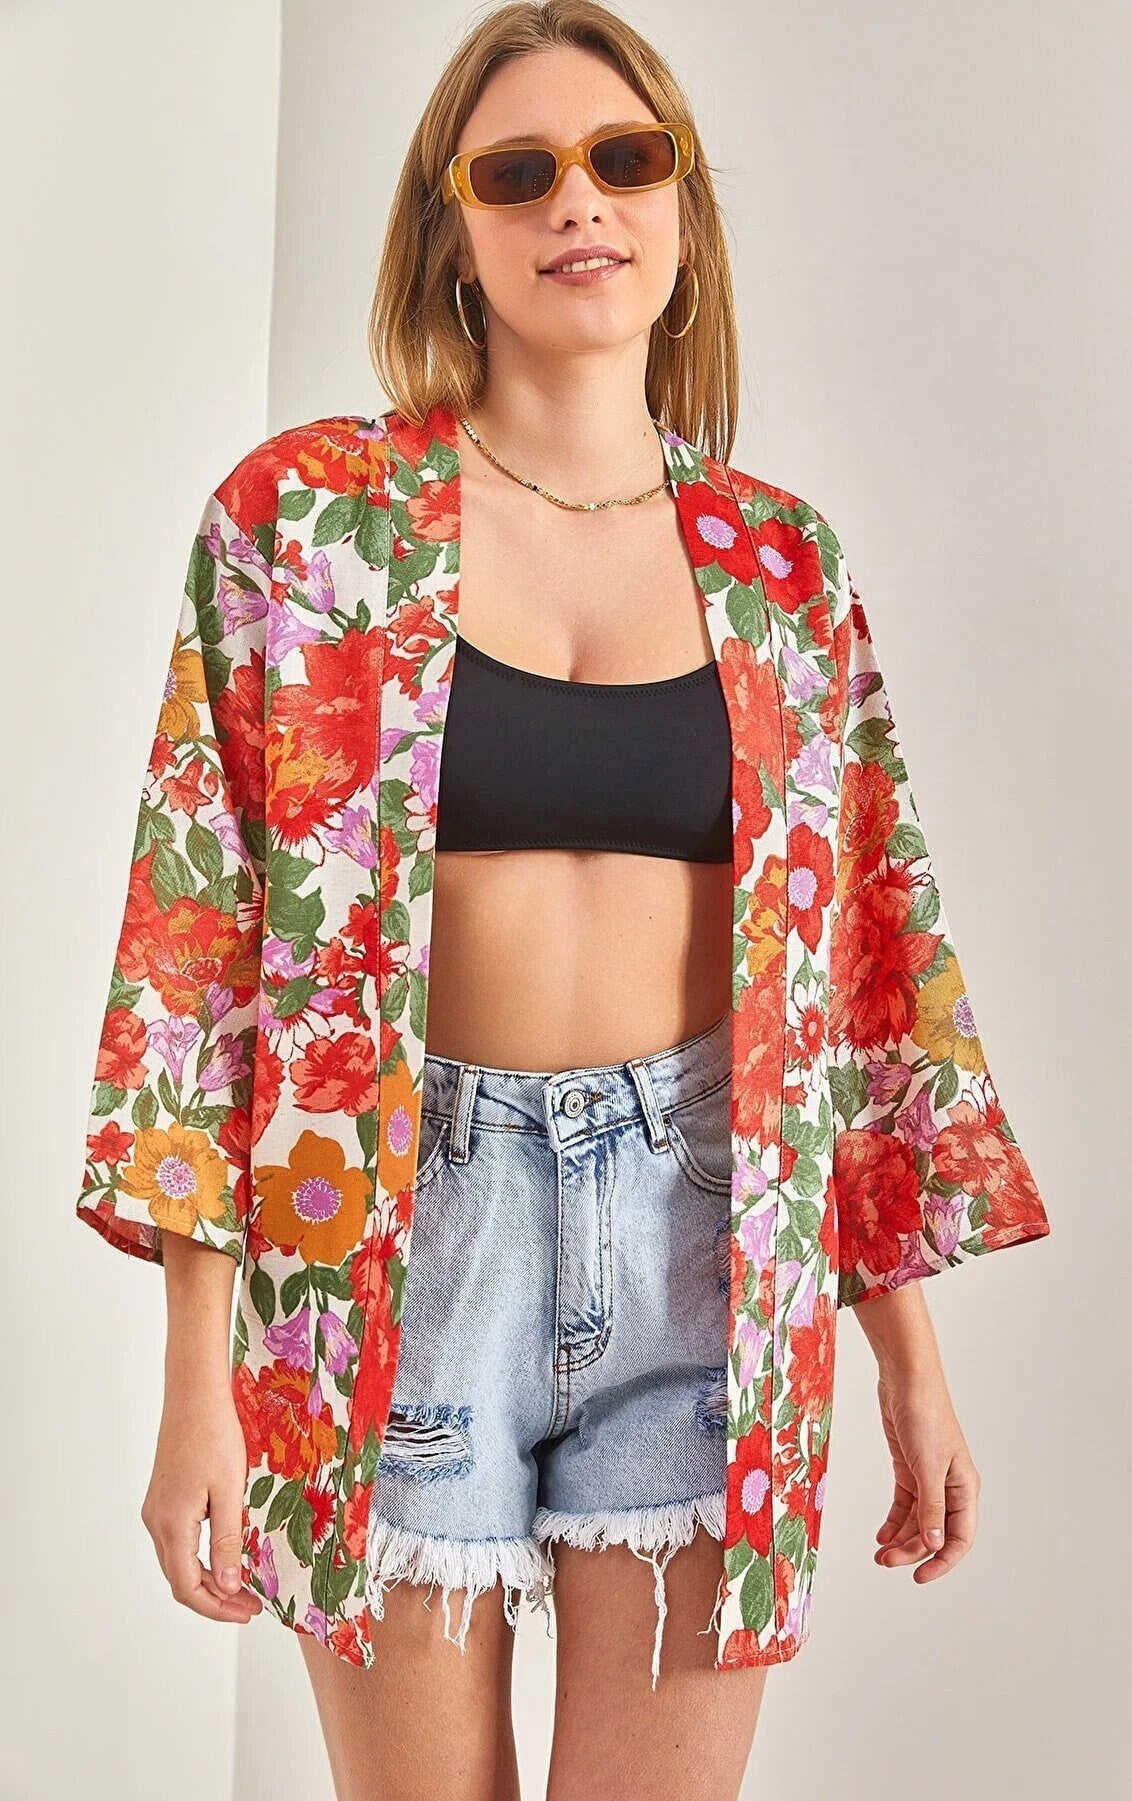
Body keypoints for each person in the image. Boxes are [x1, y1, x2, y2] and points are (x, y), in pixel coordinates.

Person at [74, 3, 1051, 1796]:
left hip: (707, 1243)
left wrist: (907, 1357)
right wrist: (193, 1379)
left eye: (624, 159)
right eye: (515, 171)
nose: (576, 202)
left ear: (680, 216)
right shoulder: (309, 525)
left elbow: (859, 970)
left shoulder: (782, 566)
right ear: (452, 235)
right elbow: (195, 959)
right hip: (388, 1238)